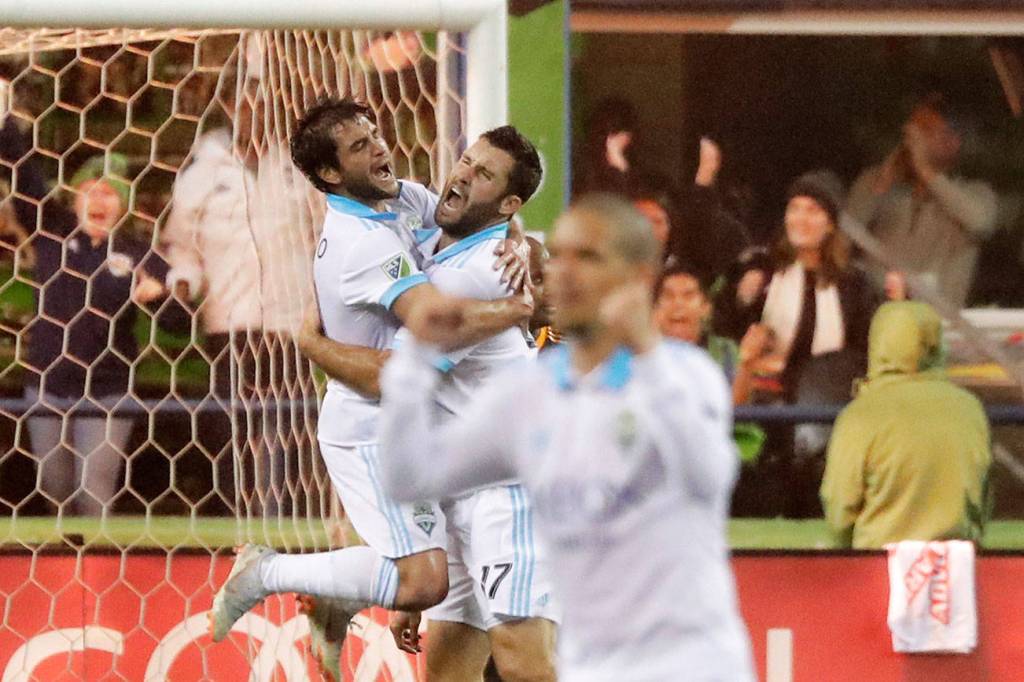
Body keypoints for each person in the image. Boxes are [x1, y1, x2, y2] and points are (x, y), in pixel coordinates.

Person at [207, 98, 535, 682]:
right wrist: (517, 309)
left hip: (457, 459)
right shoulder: (366, 244)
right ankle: (266, 573)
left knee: (452, 627)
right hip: (377, 428)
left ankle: (342, 595)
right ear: (330, 172)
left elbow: (477, 216)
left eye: (375, 135)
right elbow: (422, 336)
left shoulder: (401, 204)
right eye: (360, 146)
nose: (381, 148)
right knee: (430, 587)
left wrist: (519, 236)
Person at [378, 193, 755, 682]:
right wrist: (415, 361)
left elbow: (708, 473)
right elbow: (410, 476)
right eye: (559, 256)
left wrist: (641, 347)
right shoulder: (529, 392)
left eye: (588, 257)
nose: (565, 272)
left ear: (639, 277)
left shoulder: (686, 375)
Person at [161, 95, 314, 516]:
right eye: (248, 103)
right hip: (229, 323)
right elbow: (182, 247)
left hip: (290, 324)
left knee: (288, 428)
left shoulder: (302, 165)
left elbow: (326, 235)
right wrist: (183, 284)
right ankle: (239, 524)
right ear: (230, 105)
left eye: (267, 103)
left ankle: (285, 527)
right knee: (233, 430)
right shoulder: (202, 173)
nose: (258, 112)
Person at [23, 154, 175, 516]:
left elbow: (180, 323)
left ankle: (96, 555)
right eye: (89, 191)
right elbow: (24, 174)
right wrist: (7, 126)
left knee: (92, 492)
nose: (98, 201)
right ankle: (61, 556)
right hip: (47, 385)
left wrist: (160, 297)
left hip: (107, 391)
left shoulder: (137, 252)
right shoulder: (51, 233)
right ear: (74, 198)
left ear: (124, 203)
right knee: (54, 490)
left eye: (109, 193)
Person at [820, 301, 992, 549]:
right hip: (956, 562)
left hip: (877, 563)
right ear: (936, 344)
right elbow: (984, 496)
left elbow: (840, 505)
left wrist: (844, 553)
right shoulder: (970, 409)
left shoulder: (859, 415)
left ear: (877, 344)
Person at [716, 170, 879, 402]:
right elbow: (725, 328)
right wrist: (742, 300)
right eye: (794, 208)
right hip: (764, 398)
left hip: (827, 400)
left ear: (830, 224)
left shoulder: (853, 284)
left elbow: (862, 351)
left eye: (812, 210)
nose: (801, 219)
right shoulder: (761, 267)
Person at [846, 95, 998, 308]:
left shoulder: (977, 193)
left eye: (925, 130)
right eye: (911, 130)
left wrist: (926, 170)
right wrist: (880, 184)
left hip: (937, 322)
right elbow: (843, 239)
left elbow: (980, 222)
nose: (913, 138)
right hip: (877, 317)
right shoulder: (879, 183)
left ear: (952, 142)